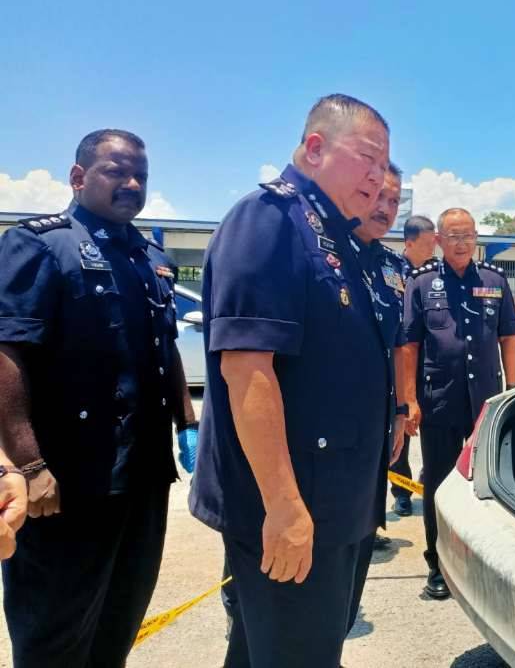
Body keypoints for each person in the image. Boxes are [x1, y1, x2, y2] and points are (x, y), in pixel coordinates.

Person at [190, 94, 395, 668]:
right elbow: (246, 368)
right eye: (368, 158)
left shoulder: (338, 238)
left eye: (385, 166)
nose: (378, 177)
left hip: (336, 505)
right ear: (314, 148)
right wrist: (282, 507)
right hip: (295, 508)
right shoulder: (271, 218)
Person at [0, 129, 197, 668]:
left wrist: (188, 423)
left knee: (119, 623)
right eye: (116, 171)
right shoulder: (40, 244)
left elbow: (167, 348)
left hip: (142, 478)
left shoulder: (149, 256)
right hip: (67, 482)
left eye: (141, 175)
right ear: (78, 177)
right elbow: (8, 355)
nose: (132, 183)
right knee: (53, 636)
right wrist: (27, 461)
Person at [399, 208, 515, 599]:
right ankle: (436, 564)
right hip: (438, 403)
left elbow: (508, 339)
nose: (462, 242)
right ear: (439, 240)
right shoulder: (421, 284)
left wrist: (513, 388)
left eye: (468, 235)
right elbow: (408, 345)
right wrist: (408, 400)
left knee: (486, 485)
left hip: (485, 404)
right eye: (453, 235)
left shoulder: (494, 281)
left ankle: (482, 563)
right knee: (437, 483)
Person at [345, 163, 409, 630]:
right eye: (377, 196)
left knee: (360, 541)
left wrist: (402, 412)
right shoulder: (323, 252)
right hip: (321, 436)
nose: (384, 208)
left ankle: (340, 629)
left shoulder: (392, 267)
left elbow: (400, 344)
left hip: (375, 432)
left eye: (394, 201)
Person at [388, 215, 437, 518]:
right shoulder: (391, 270)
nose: (435, 245)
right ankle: (402, 492)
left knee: (432, 428)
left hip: (429, 364)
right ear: (410, 242)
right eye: (429, 240)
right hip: (399, 361)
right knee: (400, 429)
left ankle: (426, 479)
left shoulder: (437, 274)